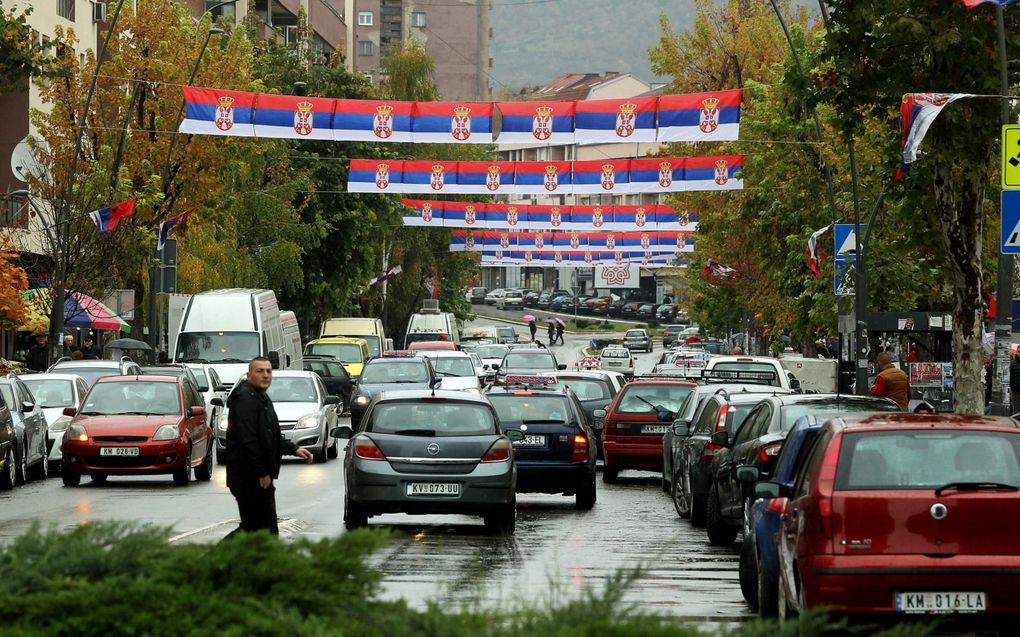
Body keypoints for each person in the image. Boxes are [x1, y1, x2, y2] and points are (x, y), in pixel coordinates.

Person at [225, 358, 313, 535]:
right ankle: (214, 560)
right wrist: (262, 472)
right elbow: (248, 440)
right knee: (260, 529)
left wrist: (293, 448)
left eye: (268, 371)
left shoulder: (261, 398)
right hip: (248, 477)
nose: (265, 375)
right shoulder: (245, 400)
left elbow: (269, 435)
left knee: (258, 528)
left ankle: (223, 560)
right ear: (249, 375)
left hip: (256, 476)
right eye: (260, 371)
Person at [1009, 350, 1020, 415]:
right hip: (1016, 392)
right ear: (1016, 352)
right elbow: (1009, 379)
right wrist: (1010, 390)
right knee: (1016, 412)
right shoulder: (1012, 364)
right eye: (1019, 351)